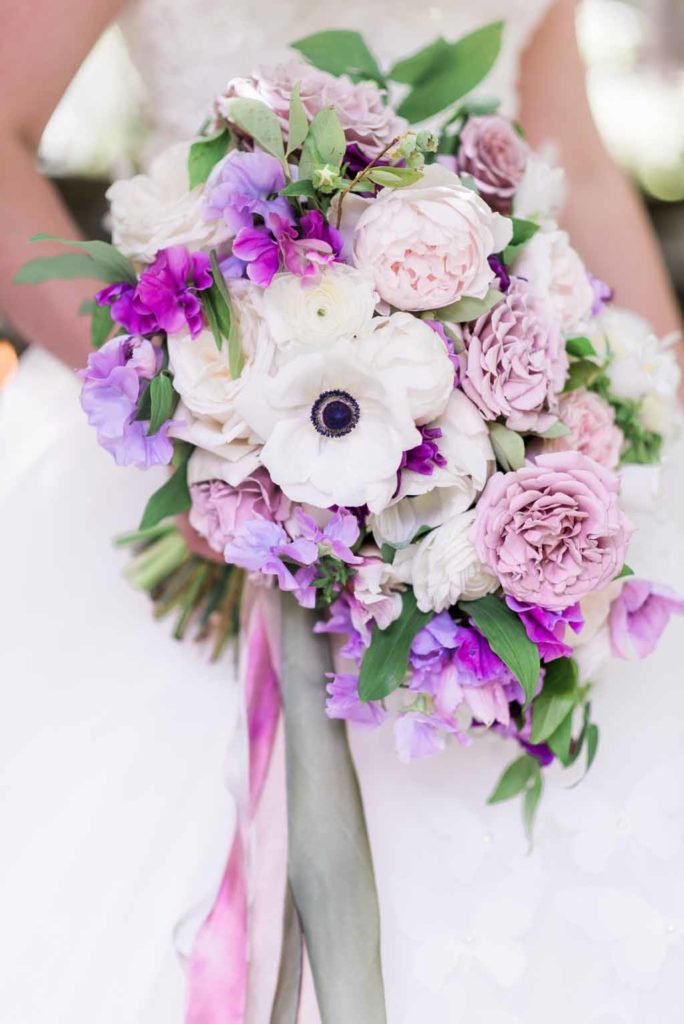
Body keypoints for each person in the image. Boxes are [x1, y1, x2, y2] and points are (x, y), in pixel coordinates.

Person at [0, 1, 682, 1021]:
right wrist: (182, 403)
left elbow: (569, 157)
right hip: (206, 400)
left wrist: (657, 402)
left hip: (490, 429)